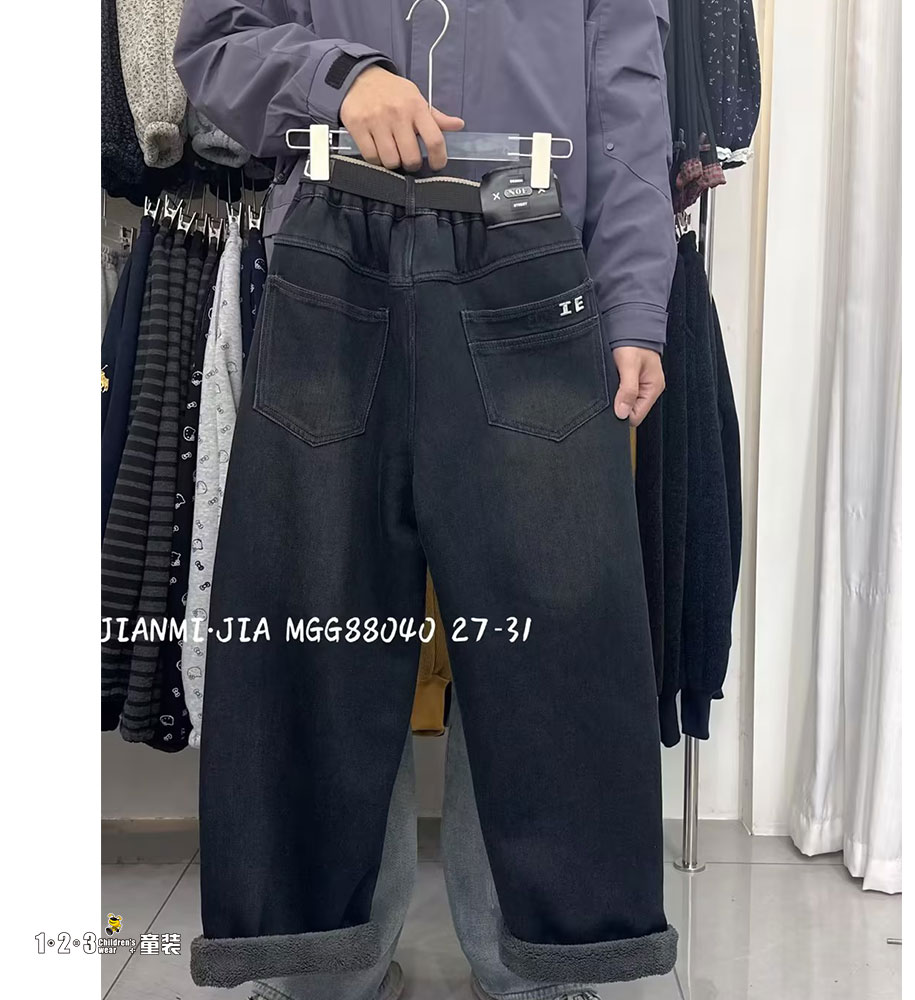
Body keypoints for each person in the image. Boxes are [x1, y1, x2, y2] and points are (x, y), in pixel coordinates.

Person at [174, 4, 679, 1000]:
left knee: (546, 638)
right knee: (320, 620)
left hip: (529, 253)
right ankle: (327, 964)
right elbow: (214, 43)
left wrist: (634, 301)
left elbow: (628, 99)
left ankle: (538, 964)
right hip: (337, 247)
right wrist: (338, 79)